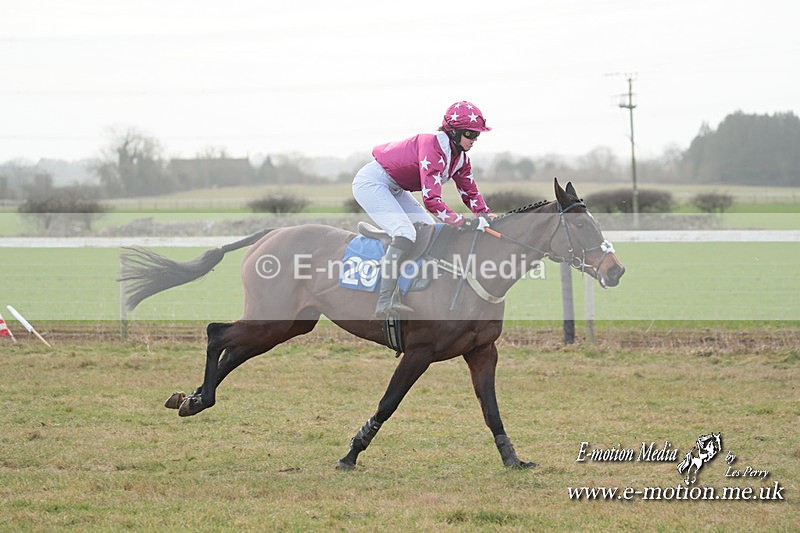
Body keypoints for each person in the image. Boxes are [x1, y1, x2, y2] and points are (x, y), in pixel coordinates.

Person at [352, 100, 495, 318]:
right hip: (373, 183)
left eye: (477, 135)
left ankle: (416, 289)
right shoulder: (432, 147)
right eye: (470, 134)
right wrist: (463, 221)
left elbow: (470, 193)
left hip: (396, 187)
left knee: (430, 230)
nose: (474, 140)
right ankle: (385, 301)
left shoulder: (461, 159)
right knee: (405, 233)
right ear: (453, 133)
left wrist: (485, 215)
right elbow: (431, 201)